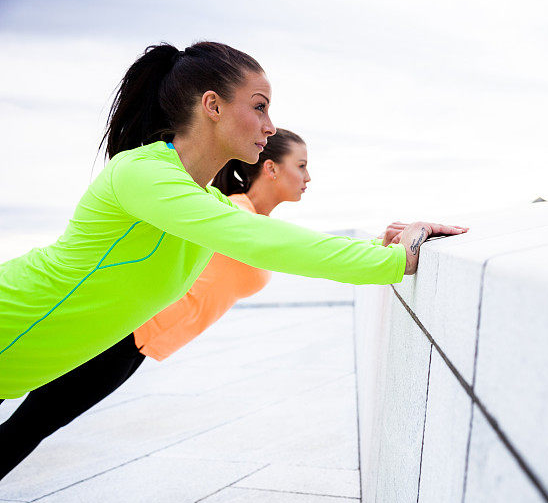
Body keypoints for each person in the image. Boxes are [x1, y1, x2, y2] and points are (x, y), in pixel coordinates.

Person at [0, 41, 467, 402]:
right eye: (259, 106)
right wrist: (395, 264)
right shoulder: (142, 173)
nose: (269, 126)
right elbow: (261, 239)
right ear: (213, 106)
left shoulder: (202, 196)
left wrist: (383, 250)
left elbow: (267, 233)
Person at [0, 128, 417, 480]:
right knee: (29, 427)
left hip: (137, 344)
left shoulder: (245, 217)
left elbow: (295, 243)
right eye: (302, 164)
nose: (308, 176)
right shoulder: (232, 209)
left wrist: (378, 247)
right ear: (270, 169)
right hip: (123, 336)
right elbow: (283, 247)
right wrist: (391, 260)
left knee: (32, 425)